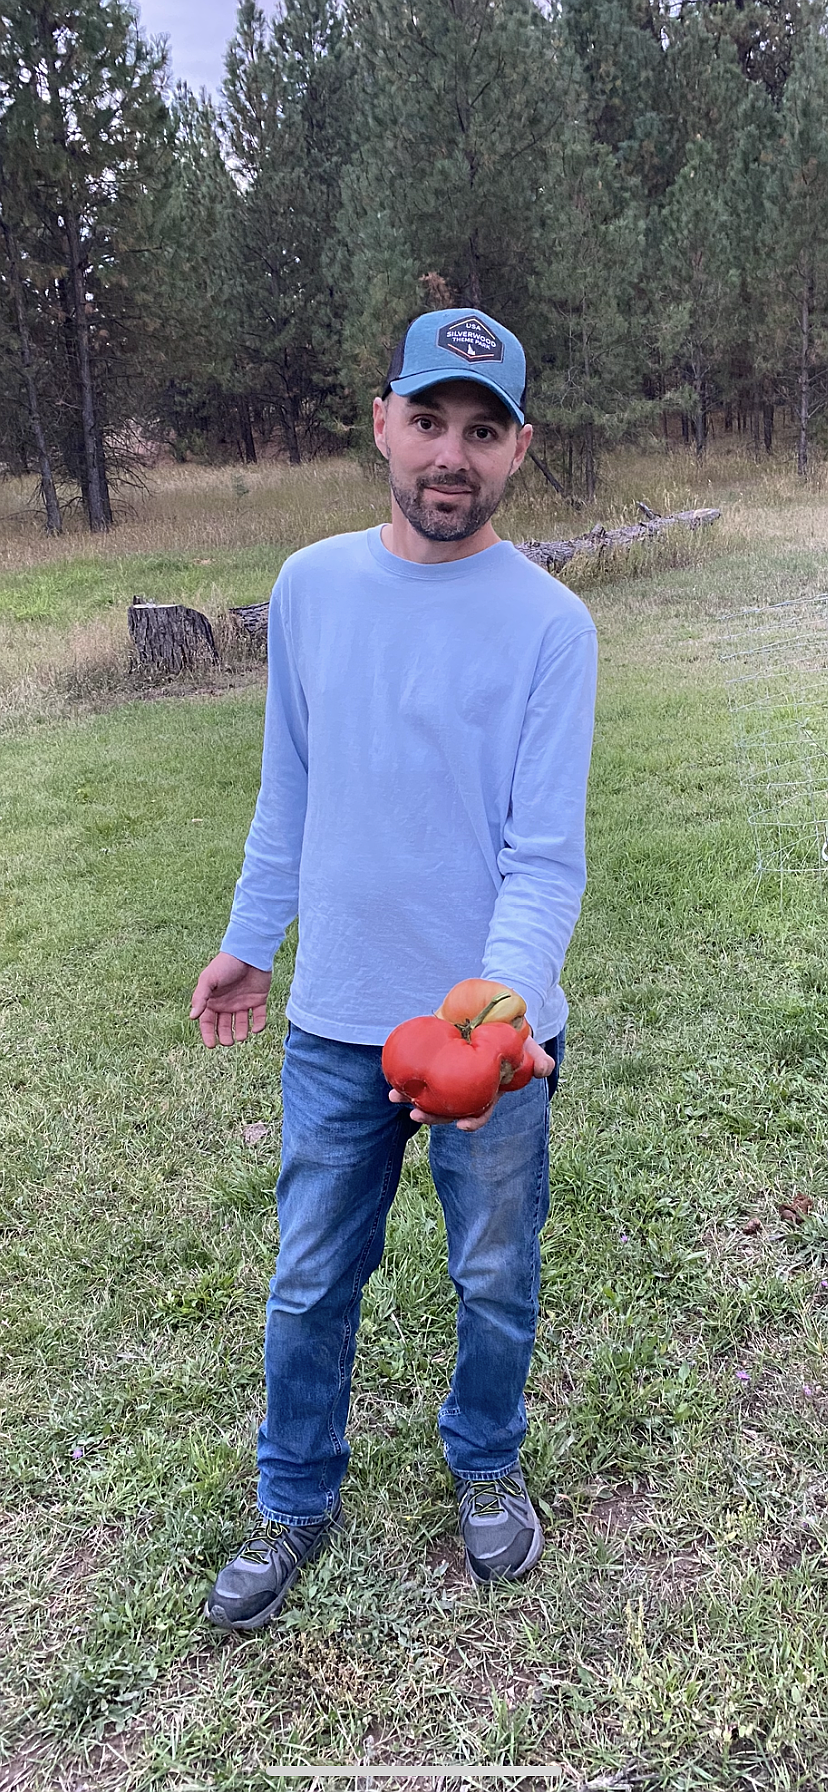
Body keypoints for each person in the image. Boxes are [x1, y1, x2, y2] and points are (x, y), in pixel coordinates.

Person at [191, 307, 597, 1633]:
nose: (450, 456)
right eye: (429, 421)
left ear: (519, 450)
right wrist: (253, 942)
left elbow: (546, 861)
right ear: (381, 422)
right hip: (334, 1027)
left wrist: (490, 1016)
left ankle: (486, 1463)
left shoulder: (551, 626)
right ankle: (295, 1498)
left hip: (492, 1040)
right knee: (311, 1275)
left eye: (482, 432)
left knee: (493, 1271)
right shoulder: (310, 589)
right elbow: (287, 799)